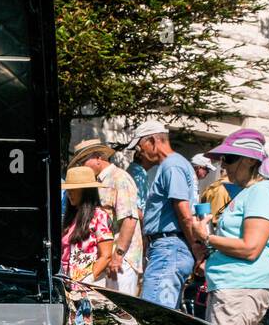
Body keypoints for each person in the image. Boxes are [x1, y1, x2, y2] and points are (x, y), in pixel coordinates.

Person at [192, 128, 269, 325]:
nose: (223, 165)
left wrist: (207, 238)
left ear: (251, 161)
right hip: (232, 285)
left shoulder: (262, 191)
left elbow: (250, 248)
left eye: (229, 158)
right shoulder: (249, 192)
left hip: (240, 287)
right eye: (222, 159)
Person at [126, 120, 205, 308]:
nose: (140, 152)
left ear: (152, 141)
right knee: (164, 316)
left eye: (140, 146)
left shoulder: (172, 166)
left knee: (154, 316)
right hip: (169, 249)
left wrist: (196, 249)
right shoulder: (175, 165)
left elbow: (184, 213)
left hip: (168, 250)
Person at [72, 137, 142, 295]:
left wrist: (118, 255)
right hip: (107, 259)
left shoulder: (120, 178)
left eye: (83, 160)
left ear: (99, 158)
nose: (81, 166)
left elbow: (130, 219)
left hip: (122, 261)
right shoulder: (99, 181)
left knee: (122, 311)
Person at [60, 164, 114, 286]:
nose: (69, 194)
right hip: (66, 283)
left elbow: (106, 256)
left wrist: (88, 279)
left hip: (87, 286)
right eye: (68, 190)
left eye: (73, 190)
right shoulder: (71, 217)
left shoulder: (99, 216)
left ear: (86, 191)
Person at [196, 151, 233, 223]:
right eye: (206, 169)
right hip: (215, 226)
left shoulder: (212, 187)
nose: (208, 172)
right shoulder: (223, 188)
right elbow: (216, 217)